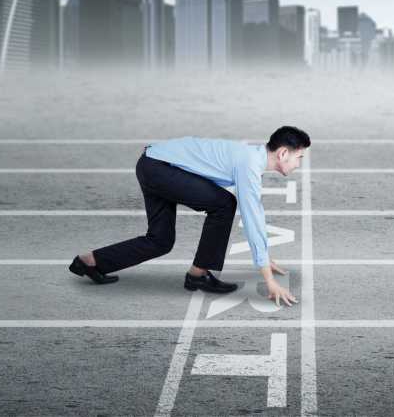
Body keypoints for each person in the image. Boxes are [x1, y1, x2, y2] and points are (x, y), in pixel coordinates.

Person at [68, 126, 309, 307]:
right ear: (283, 153)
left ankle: (90, 261)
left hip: (153, 163)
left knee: (160, 240)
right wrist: (268, 278)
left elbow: (255, 214)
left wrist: (265, 255)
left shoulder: (250, 158)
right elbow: (253, 216)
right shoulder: (249, 164)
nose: (299, 164)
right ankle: (198, 275)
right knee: (225, 204)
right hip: (159, 167)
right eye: (299, 157)